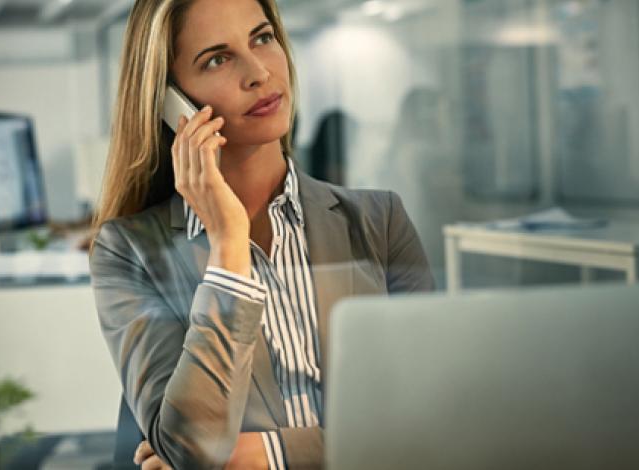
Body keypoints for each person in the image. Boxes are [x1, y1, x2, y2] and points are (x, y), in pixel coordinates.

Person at [89, 0, 434, 468]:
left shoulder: (379, 221)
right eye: (217, 58)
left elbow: (427, 418)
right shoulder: (130, 251)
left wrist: (267, 455)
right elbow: (190, 447)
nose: (259, 73)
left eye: (262, 38)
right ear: (173, 103)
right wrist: (229, 245)